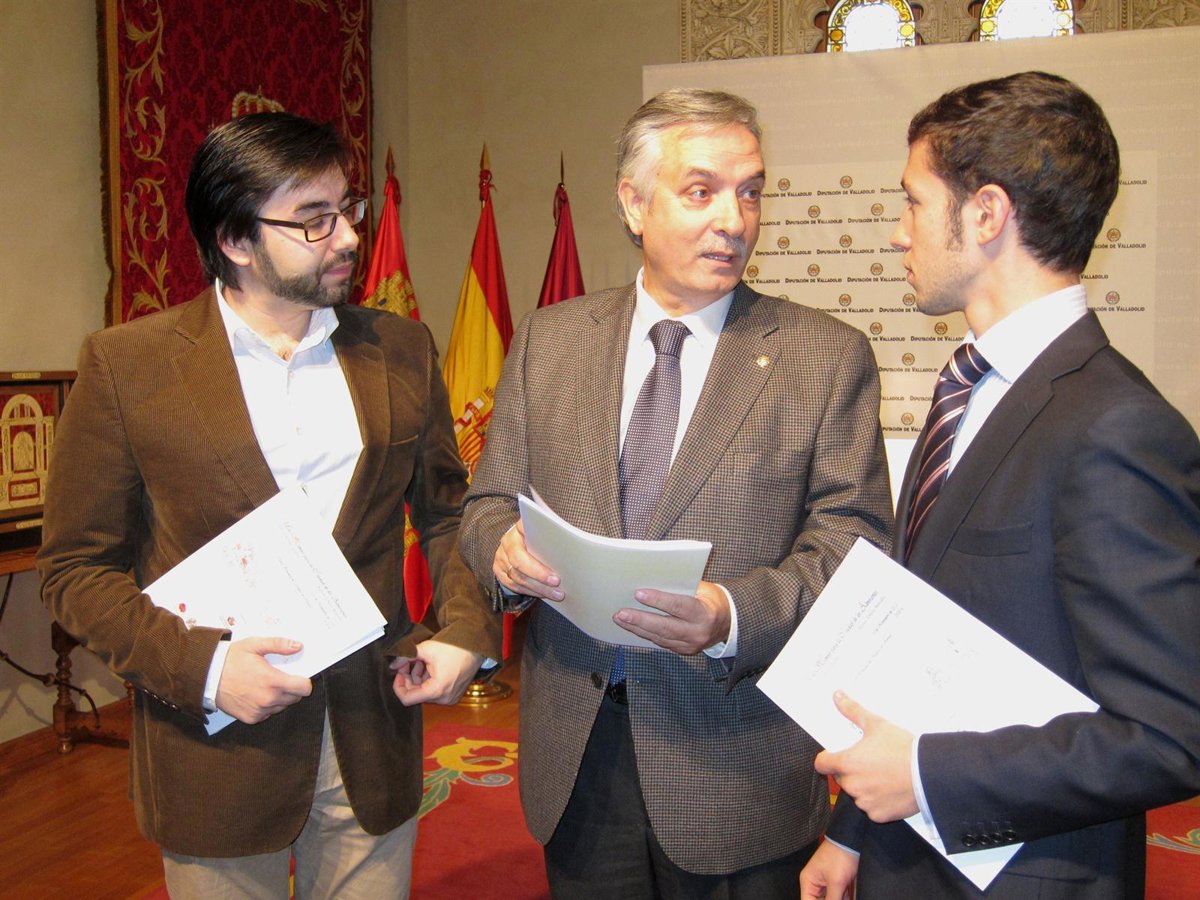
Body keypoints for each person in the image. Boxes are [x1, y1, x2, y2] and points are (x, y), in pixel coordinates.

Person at [37, 112, 500, 898]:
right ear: (235, 240)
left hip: (371, 729)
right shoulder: (129, 366)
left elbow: (449, 513)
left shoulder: (400, 349)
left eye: (347, 208)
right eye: (313, 220)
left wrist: (464, 628)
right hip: (215, 751)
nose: (347, 237)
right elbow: (75, 569)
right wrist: (207, 669)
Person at [459, 88, 893, 897]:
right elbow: (487, 503)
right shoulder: (550, 340)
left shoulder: (823, 357)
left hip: (736, 761)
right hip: (577, 757)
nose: (734, 219)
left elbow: (854, 548)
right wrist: (503, 552)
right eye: (701, 191)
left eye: (751, 192)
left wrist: (730, 615)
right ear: (633, 203)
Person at [801, 71, 1200, 900]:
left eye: (913, 202)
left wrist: (928, 775)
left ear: (986, 214)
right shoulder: (967, 388)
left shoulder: (1116, 427)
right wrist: (852, 832)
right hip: (905, 856)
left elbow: (1170, 735)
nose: (898, 233)